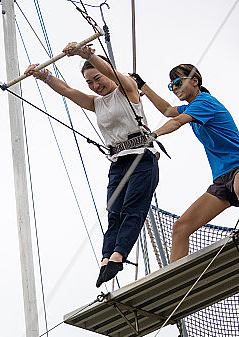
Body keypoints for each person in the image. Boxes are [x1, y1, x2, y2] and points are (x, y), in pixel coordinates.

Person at [25, 42, 159, 287]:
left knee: (132, 208)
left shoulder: (128, 91)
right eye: (90, 83)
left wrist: (88, 55)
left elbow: (114, 75)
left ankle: (119, 256)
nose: (96, 86)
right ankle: (107, 258)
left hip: (142, 158)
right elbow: (66, 90)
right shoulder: (96, 103)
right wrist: (42, 75)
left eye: (98, 79)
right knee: (114, 212)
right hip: (118, 163)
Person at [135, 64, 239, 262]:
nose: (175, 88)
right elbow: (168, 110)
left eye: (178, 82)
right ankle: (175, 285)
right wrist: (142, 86)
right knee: (181, 228)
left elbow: (177, 121)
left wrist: (153, 134)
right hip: (222, 180)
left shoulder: (206, 102)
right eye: (172, 86)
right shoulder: (190, 107)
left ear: (194, 81)